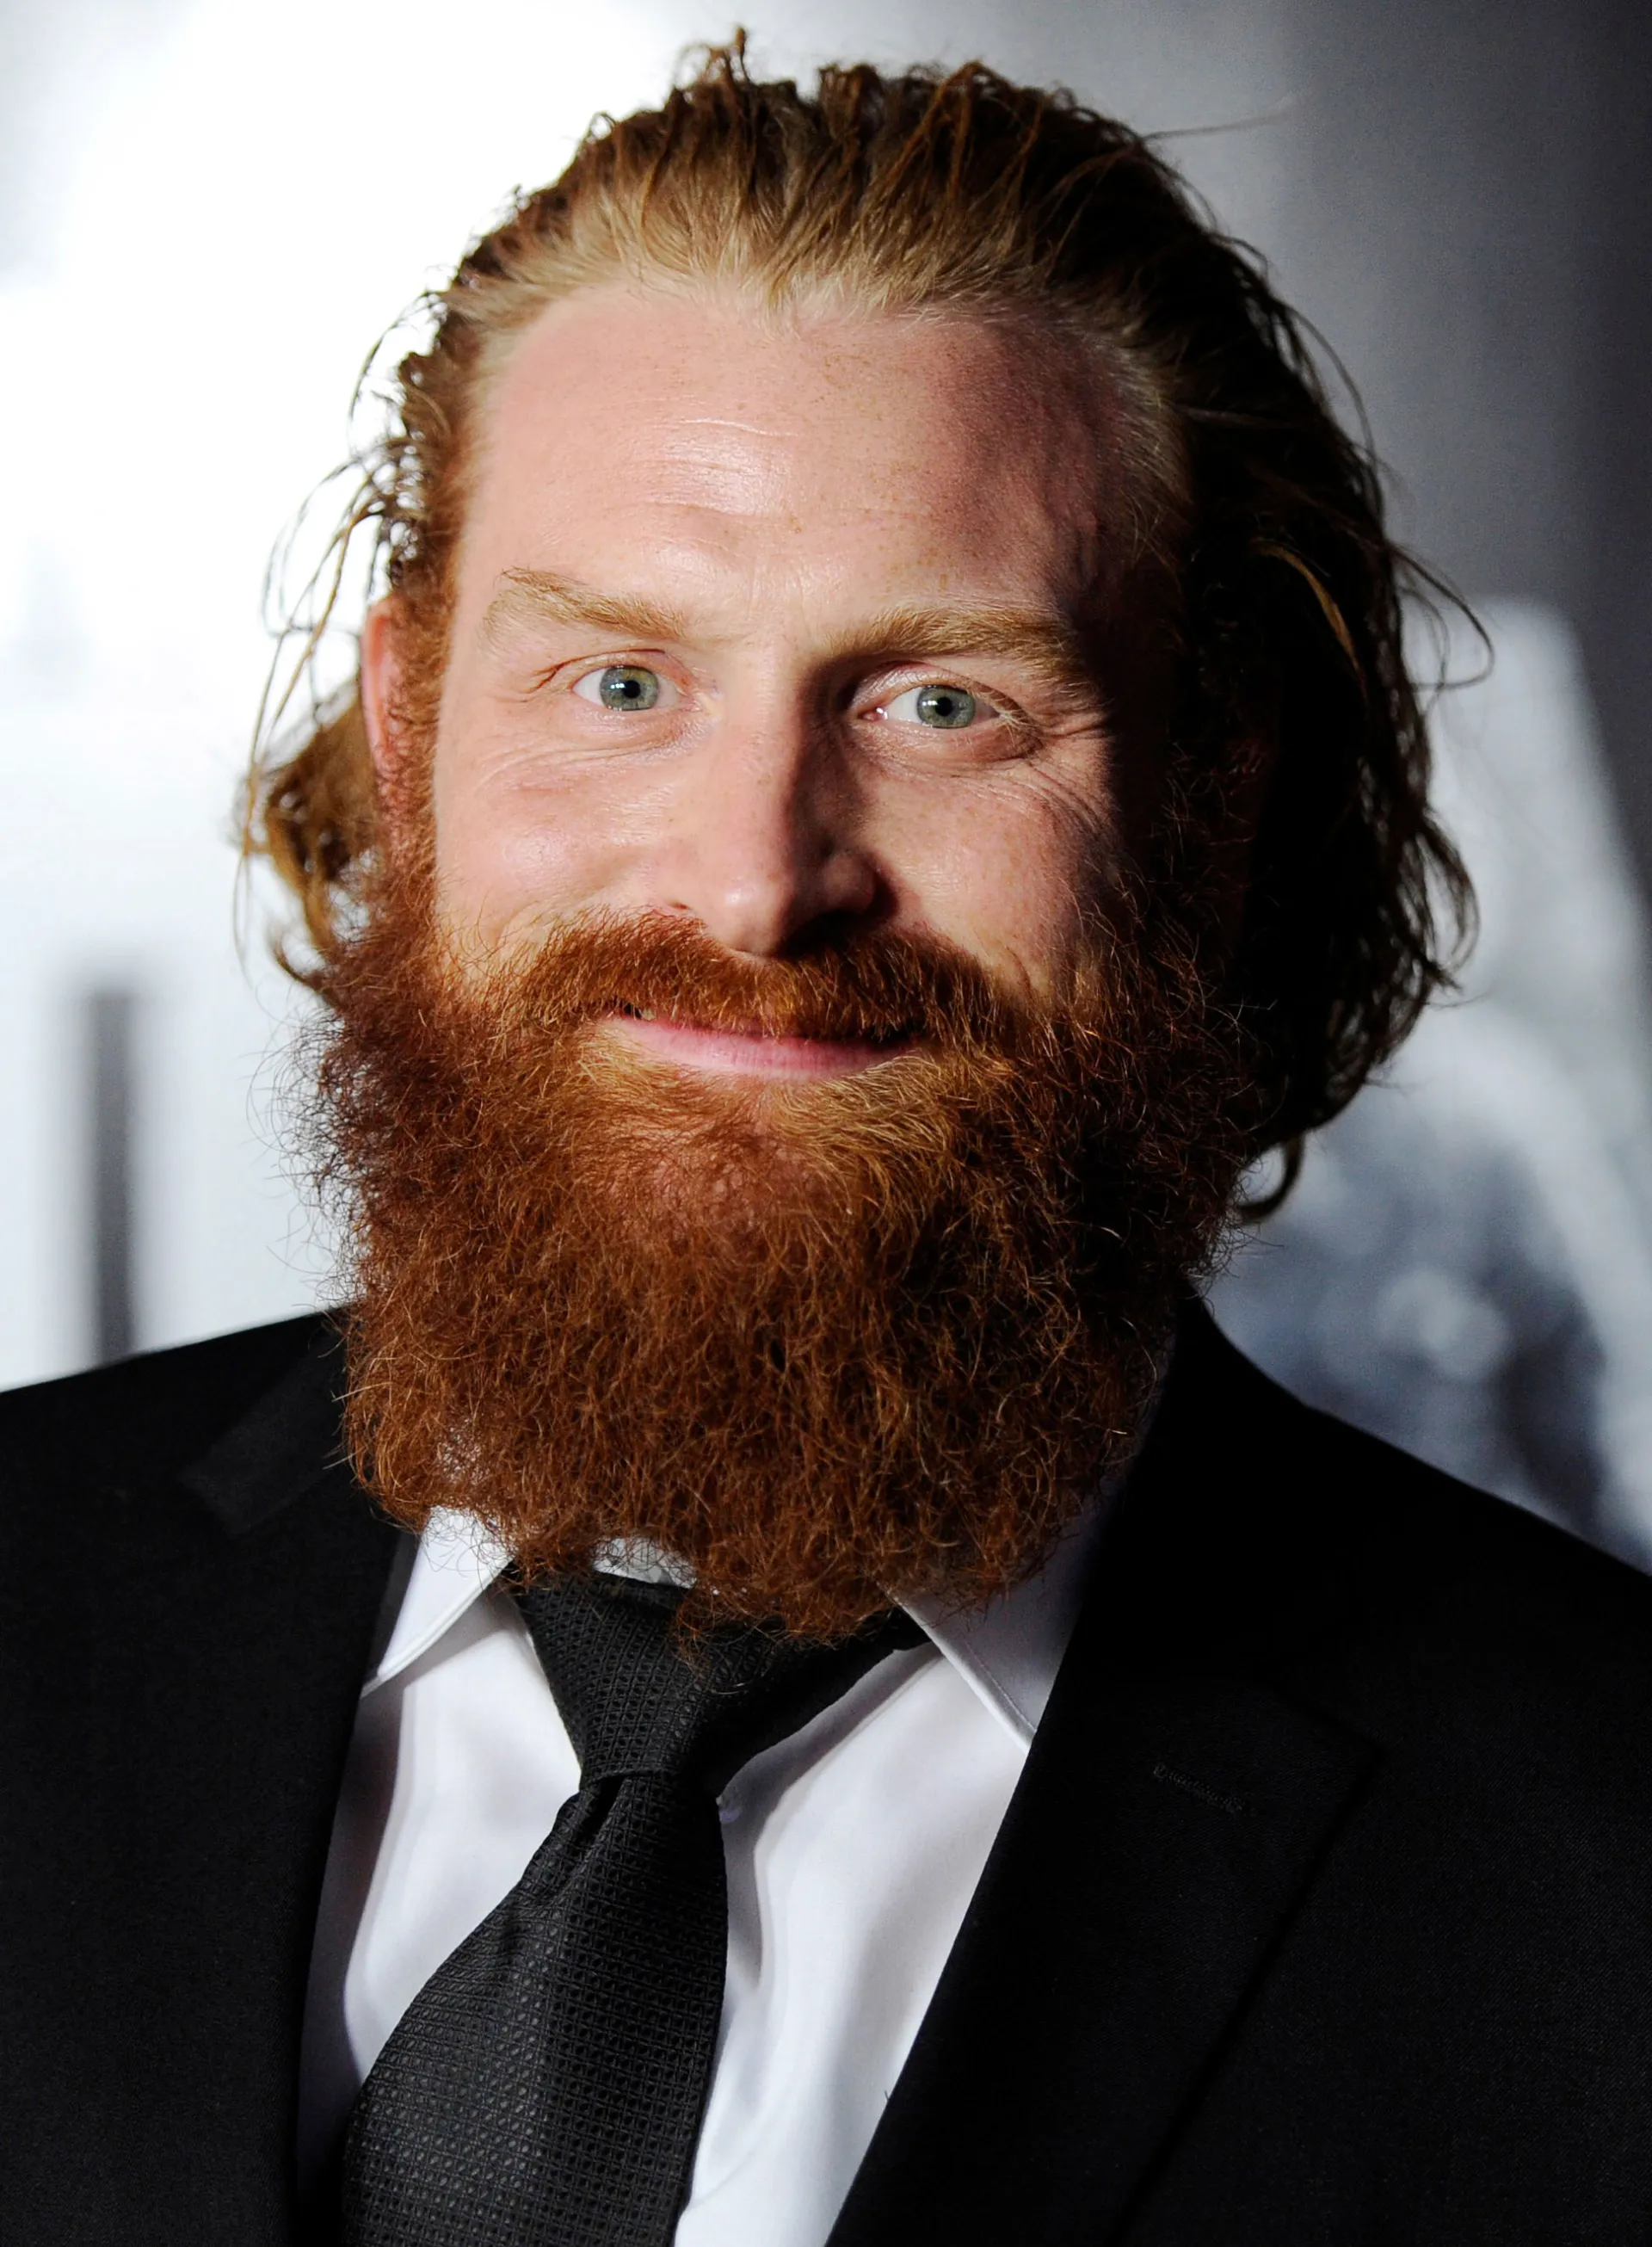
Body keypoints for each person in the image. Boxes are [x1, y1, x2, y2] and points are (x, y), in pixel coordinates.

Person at [5, 47, 1652, 2247]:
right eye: (620, 684)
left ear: (1211, 796)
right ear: (407, 735)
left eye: (944, 704)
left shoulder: (1603, 1861)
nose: (757, 883)